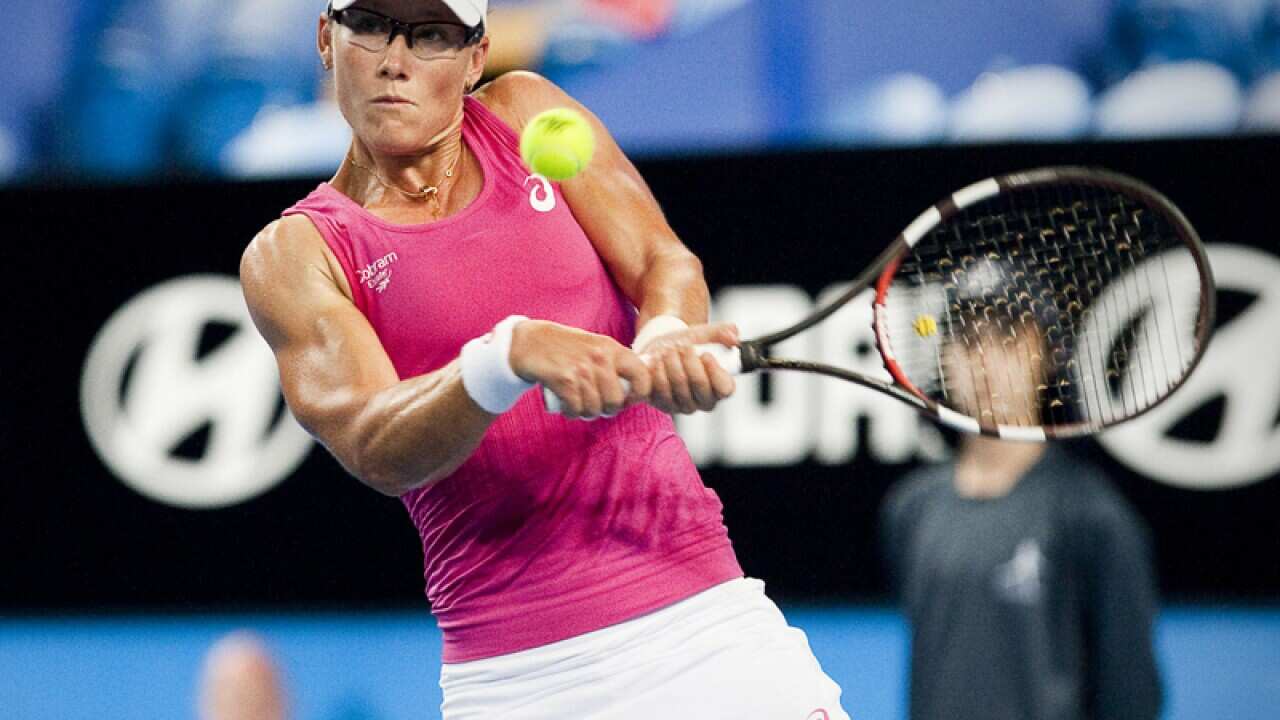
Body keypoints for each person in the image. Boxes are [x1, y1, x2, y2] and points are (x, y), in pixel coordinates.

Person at [239, 1, 850, 718]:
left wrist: (663, 335)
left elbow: (663, 260)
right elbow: (376, 444)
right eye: (371, 25)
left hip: (705, 628)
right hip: (518, 682)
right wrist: (502, 361)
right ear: (324, 38)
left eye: (431, 35)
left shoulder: (527, 111)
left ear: (475, 58)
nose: (394, 60)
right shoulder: (297, 254)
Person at [879, 309, 1163, 720]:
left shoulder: (1096, 516)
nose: (985, 362)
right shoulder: (910, 510)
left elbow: (1131, 696)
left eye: (1008, 340)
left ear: (1047, 358)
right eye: (969, 341)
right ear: (945, 358)